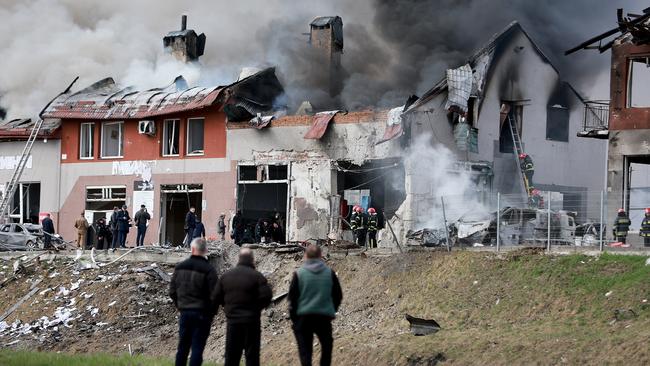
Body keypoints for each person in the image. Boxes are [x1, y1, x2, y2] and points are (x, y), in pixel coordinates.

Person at [215, 248, 272, 366]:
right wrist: (257, 308)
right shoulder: (257, 276)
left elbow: (216, 297)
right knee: (252, 357)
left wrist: (225, 306)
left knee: (231, 357)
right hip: (252, 322)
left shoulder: (227, 276)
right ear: (252, 260)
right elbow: (267, 296)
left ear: (239, 259)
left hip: (233, 322)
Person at [289, 244, 343, 366]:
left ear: (306, 256)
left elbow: (292, 299)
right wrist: (332, 310)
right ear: (320, 256)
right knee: (327, 347)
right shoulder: (330, 273)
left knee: (305, 351)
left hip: (304, 316)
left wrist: (294, 319)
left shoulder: (299, 274)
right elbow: (338, 295)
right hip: (323, 316)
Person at [169, 238, 219, 366]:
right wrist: (211, 313)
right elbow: (215, 295)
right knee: (197, 348)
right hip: (202, 313)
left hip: (185, 312)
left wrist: (180, 306)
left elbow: (172, 291)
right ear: (206, 251)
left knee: (182, 348)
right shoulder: (209, 270)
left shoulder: (180, 267)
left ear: (192, 249)